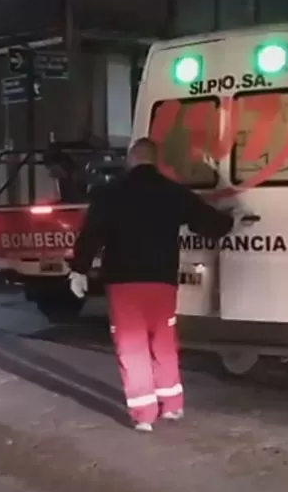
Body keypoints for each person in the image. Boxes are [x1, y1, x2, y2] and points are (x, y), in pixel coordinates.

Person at [68, 138, 234, 432]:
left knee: (132, 346)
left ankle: (144, 414)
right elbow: (210, 224)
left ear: (131, 160)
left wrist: (78, 270)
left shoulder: (110, 193)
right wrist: (233, 219)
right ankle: (172, 405)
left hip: (123, 283)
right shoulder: (173, 192)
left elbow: (91, 235)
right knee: (164, 340)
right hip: (162, 281)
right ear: (155, 161)